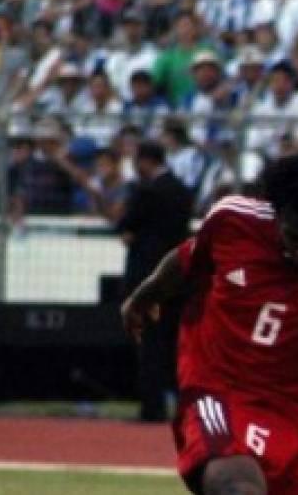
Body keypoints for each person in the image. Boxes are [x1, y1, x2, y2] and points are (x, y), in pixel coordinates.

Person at [120, 154, 298, 494]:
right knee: (237, 485)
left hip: (297, 416)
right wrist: (144, 296)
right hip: (218, 389)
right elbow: (187, 258)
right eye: (296, 238)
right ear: (277, 214)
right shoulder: (232, 220)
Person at [117, 140, 194, 422]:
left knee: (150, 344)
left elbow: (125, 225)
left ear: (145, 161)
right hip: (180, 278)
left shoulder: (146, 191)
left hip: (148, 277)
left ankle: (153, 407)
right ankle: (184, 405)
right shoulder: (182, 191)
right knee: (177, 343)